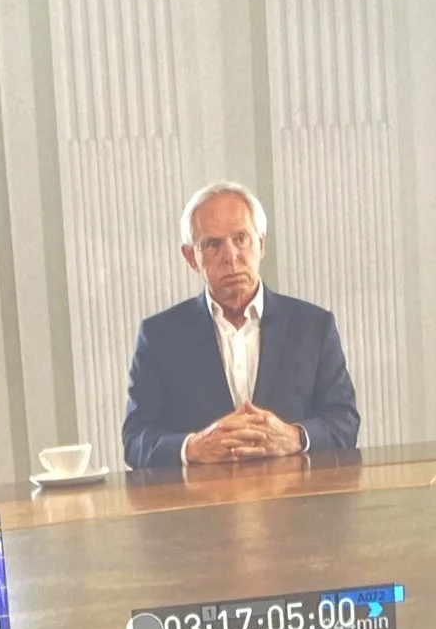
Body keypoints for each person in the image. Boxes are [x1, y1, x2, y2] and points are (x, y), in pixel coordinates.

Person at [120, 184, 361, 473]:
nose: (231, 257)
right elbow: (136, 439)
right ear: (191, 257)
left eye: (241, 239)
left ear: (261, 244)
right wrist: (193, 447)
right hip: (200, 500)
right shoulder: (160, 336)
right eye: (213, 244)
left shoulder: (312, 326)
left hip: (295, 498)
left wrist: (295, 437)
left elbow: (344, 421)